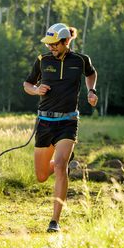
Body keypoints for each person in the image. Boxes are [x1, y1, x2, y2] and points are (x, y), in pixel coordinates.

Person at [23, 22, 98, 232]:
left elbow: (91, 74)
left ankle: (54, 221)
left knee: (60, 167)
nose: (51, 48)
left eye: (55, 44)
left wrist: (91, 91)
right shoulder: (42, 60)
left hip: (68, 121)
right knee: (41, 176)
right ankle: (62, 159)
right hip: (45, 122)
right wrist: (36, 90)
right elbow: (27, 84)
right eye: (49, 44)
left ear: (66, 41)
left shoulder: (81, 60)